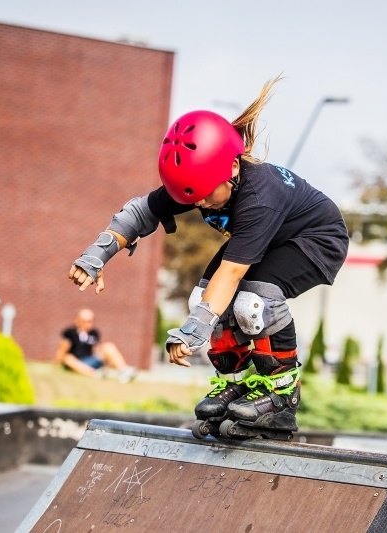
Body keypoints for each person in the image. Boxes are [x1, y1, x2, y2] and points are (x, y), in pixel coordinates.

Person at [68, 77, 349, 439]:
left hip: (317, 239)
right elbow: (140, 212)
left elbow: (231, 275)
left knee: (253, 300)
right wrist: (96, 257)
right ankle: (236, 384)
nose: (199, 203)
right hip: (272, 239)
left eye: (205, 195)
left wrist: (192, 332)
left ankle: (280, 397)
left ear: (232, 169)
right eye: (193, 197)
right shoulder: (201, 177)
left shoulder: (259, 196)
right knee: (200, 299)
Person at [54, 308, 137, 381]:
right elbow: (62, 350)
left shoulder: (94, 333)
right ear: (78, 320)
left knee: (108, 346)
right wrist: (56, 366)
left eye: (90, 321)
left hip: (90, 361)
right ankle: (95, 375)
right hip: (75, 363)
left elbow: (95, 350)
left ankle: (124, 371)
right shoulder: (70, 333)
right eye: (85, 321)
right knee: (67, 358)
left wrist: (104, 360)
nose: (88, 324)